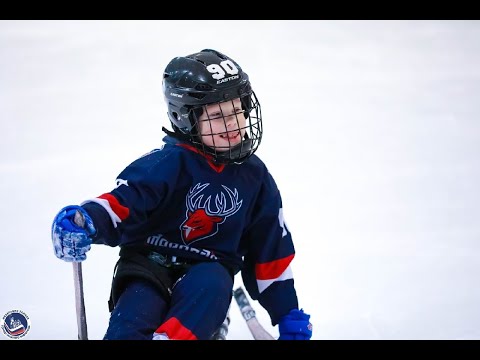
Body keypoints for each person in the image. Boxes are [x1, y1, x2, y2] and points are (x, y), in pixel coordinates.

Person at [51, 49, 312, 341]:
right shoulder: (166, 165)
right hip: (147, 267)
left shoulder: (256, 178)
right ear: (185, 118)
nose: (233, 123)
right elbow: (124, 203)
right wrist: (86, 219)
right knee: (132, 318)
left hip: (207, 276)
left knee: (212, 282)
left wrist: (287, 312)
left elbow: (270, 250)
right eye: (217, 115)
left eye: (238, 110)